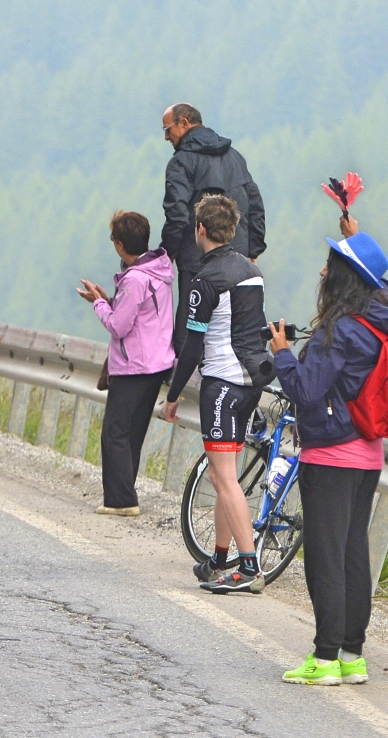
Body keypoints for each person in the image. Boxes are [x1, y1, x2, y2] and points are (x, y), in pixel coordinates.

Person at [269, 219, 386, 686]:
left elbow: (306, 389)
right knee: (353, 551)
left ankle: (323, 659)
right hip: (369, 453)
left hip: (331, 453)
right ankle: (353, 657)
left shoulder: (338, 331)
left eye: (330, 265)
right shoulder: (377, 322)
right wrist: (356, 237)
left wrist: (281, 352)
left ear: (343, 278)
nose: (322, 271)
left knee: (324, 555)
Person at [162, 194, 273, 593]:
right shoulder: (251, 270)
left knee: (223, 476)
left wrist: (173, 395)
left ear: (201, 231)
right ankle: (221, 557)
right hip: (249, 384)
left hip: (222, 384)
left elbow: (193, 347)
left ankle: (249, 568)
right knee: (227, 475)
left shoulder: (205, 280)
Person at [78, 211, 174, 516]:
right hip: (157, 363)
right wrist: (110, 300)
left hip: (134, 365)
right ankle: (124, 493)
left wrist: (99, 304)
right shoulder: (160, 270)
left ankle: (121, 500)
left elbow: (119, 326)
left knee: (115, 431)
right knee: (133, 431)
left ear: (119, 244)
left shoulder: (134, 279)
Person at [159, 103, 266, 350]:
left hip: (196, 260)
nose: (166, 137)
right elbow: (255, 205)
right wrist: (252, 252)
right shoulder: (235, 157)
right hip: (238, 260)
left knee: (192, 325)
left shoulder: (181, 162)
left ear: (184, 123)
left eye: (167, 129)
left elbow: (176, 214)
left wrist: (167, 253)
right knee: (235, 328)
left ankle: (187, 384)